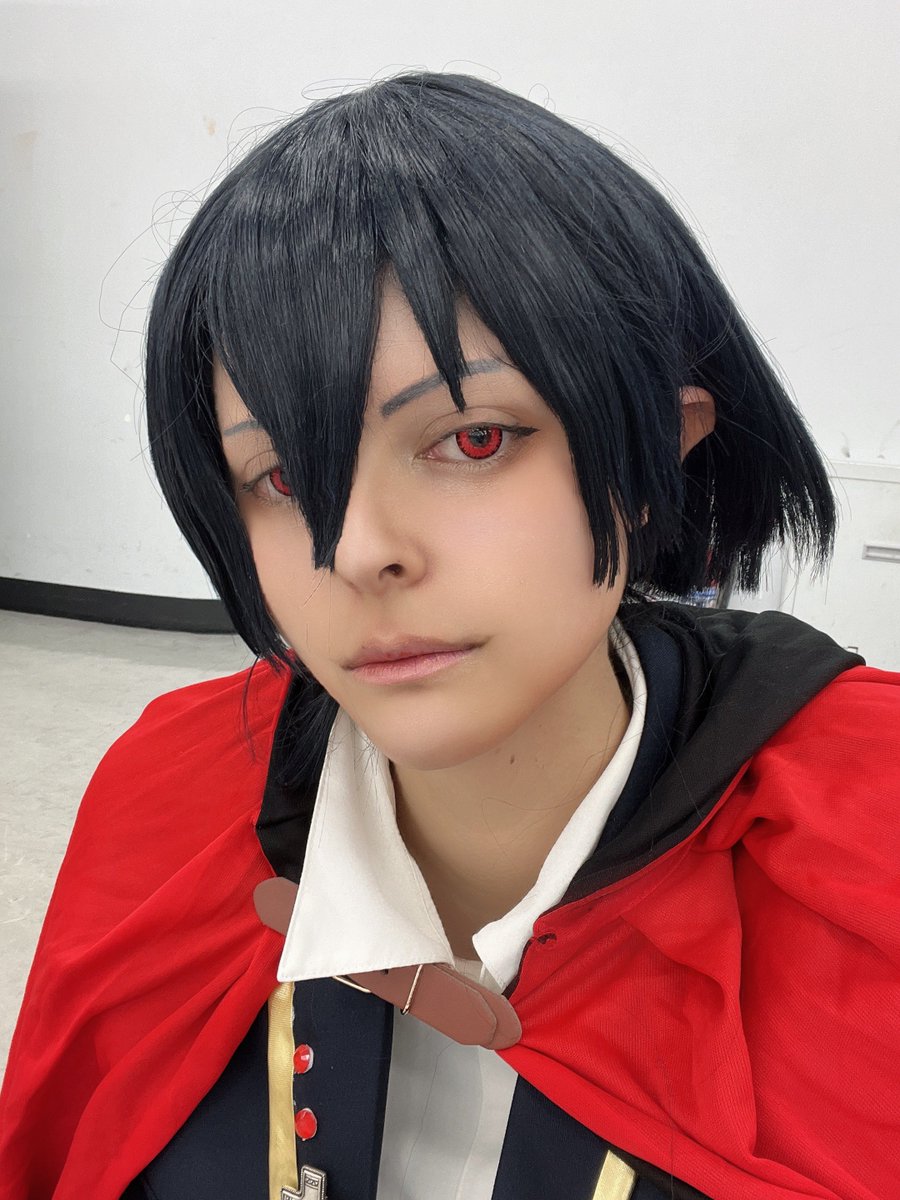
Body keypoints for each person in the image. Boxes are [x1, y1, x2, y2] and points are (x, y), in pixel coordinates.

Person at [0, 71, 897, 1200]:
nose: (355, 552)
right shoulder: (167, 790)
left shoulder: (866, 838)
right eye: (282, 476)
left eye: (472, 440)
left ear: (651, 457)